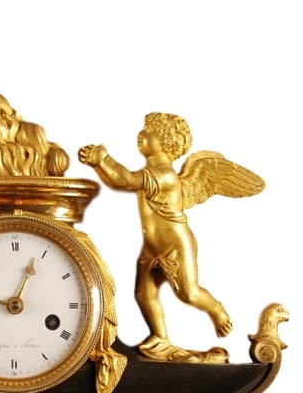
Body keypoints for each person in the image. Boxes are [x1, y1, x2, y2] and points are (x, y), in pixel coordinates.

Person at [79, 113, 237, 359]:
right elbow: (117, 182)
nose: (141, 134)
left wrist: (104, 158)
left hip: (176, 243)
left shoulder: (164, 174)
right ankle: (160, 336)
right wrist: (97, 165)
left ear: (164, 141)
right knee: (144, 294)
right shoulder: (150, 172)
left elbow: (125, 179)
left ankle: (217, 309)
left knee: (189, 293)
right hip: (152, 246)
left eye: (148, 131)